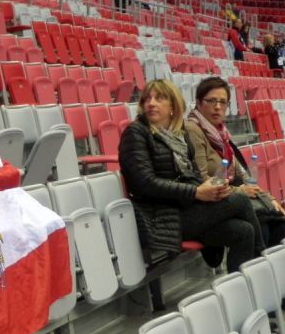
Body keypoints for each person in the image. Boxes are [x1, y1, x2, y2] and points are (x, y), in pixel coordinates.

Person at [118, 79, 264, 273]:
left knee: (244, 231)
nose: (151, 103)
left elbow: (193, 174)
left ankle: (244, 285)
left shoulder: (179, 134)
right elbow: (145, 183)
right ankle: (264, 265)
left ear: (173, 106)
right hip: (161, 217)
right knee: (241, 200)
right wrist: (196, 192)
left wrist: (211, 187)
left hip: (185, 208)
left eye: (159, 98)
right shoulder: (135, 132)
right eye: (147, 99)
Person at [184, 76, 285, 247]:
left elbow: (243, 175)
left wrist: (269, 198)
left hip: (230, 198)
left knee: (279, 222)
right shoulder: (193, 130)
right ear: (199, 103)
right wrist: (239, 191)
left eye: (223, 102)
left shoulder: (221, 133)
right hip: (209, 205)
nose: (218, 107)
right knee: (261, 227)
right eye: (211, 101)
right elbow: (201, 180)